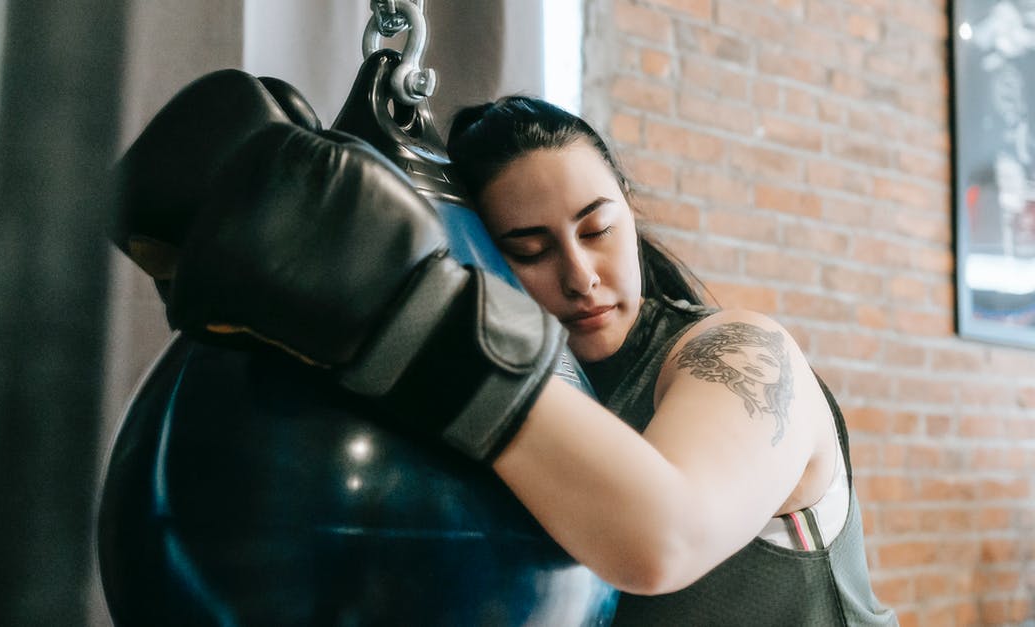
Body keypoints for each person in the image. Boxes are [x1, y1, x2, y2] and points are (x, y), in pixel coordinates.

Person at [129, 71, 895, 624]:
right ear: (484, 260)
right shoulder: (505, 416)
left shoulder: (736, 353)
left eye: (598, 228)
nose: (581, 275)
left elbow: (666, 533)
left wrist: (414, 305)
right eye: (526, 250)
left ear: (630, 211)